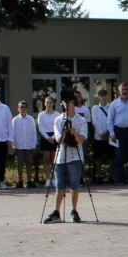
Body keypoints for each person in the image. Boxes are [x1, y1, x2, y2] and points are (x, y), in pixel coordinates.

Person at [44, 95, 88, 224]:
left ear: (73, 103)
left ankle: (74, 210)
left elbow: (81, 140)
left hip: (75, 156)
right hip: (61, 157)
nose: (66, 105)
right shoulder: (58, 120)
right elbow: (58, 139)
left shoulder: (81, 120)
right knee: (59, 186)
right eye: (64, 103)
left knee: (74, 184)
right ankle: (57, 212)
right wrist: (64, 132)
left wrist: (74, 133)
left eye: (68, 102)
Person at [107, 82, 128, 185]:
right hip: (118, 132)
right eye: (123, 90)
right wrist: (112, 133)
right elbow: (110, 120)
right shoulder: (114, 104)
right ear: (119, 91)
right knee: (119, 156)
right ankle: (120, 179)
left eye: (126, 89)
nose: (125, 91)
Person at [12, 101, 39, 188]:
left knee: (29, 163)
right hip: (19, 145)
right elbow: (13, 133)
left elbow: (34, 132)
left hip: (28, 145)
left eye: (24, 107)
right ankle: (20, 181)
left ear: (27, 108)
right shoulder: (15, 120)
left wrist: (33, 145)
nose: (22, 109)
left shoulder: (30, 119)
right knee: (20, 163)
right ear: (18, 108)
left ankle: (29, 180)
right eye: (21, 107)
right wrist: (14, 145)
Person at [90, 89, 114, 183]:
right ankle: (99, 175)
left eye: (105, 95)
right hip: (98, 137)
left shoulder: (111, 107)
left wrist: (107, 132)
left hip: (109, 136)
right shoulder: (95, 108)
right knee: (98, 157)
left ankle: (110, 176)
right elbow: (94, 121)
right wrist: (101, 132)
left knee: (111, 157)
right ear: (99, 97)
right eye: (101, 95)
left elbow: (112, 120)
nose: (103, 97)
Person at [37, 96, 58, 187]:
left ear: (53, 104)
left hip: (55, 137)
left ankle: (54, 178)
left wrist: (53, 137)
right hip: (45, 138)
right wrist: (47, 137)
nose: (49, 104)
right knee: (46, 160)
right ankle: (48, 179)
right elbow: (40, 127)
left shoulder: (57, 114)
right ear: (45, 104)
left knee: (54, 160)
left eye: (50, 102)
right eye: (47, 102)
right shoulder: (41, 115)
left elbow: (59, 127)